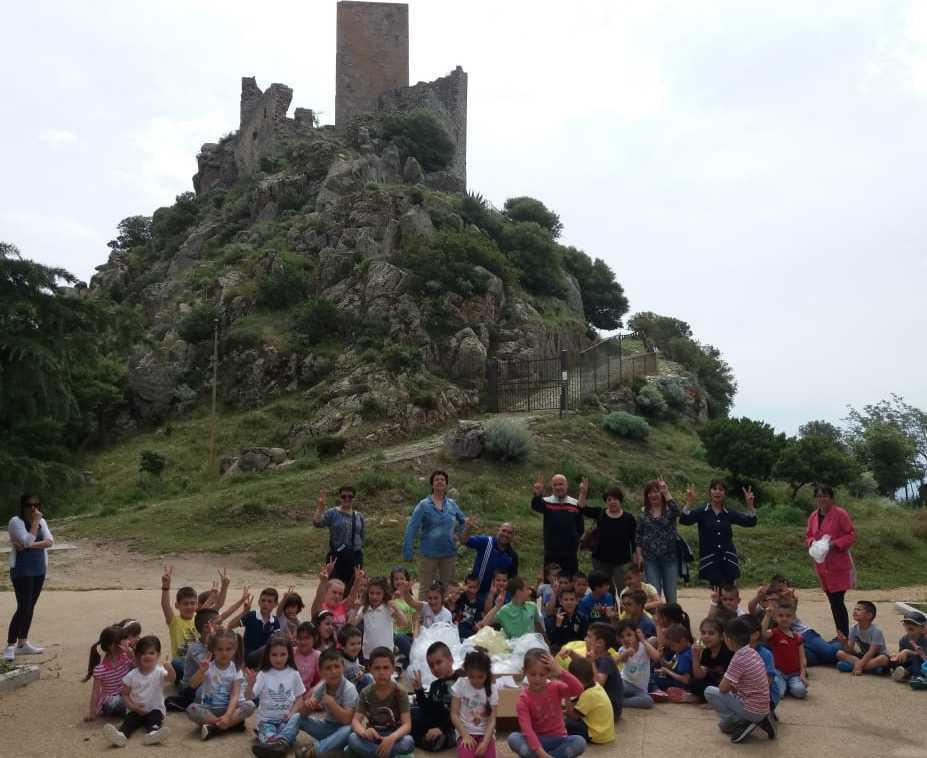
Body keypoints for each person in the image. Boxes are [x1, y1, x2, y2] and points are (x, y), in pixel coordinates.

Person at [704, 619, 776, 744]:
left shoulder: (738, 658)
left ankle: (742, 722)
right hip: (763, 705)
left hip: (751, 708)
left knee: (709, 691)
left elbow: (722, 688)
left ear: (728, 639)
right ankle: (756, 720)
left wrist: (730, 685)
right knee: (723, 726)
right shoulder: (752, 652)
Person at [506, 649, 586, 758]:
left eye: (542, 675)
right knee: (513, 738)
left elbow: (579, 689)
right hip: (536, 741)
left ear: (548, 673)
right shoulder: (523, 700)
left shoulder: (555, 687)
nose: (537, 679)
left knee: (580, 742)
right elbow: (527, 730)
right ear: (525, 671)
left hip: (558, 739)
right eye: (533, 674)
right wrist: (543, 755)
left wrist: (560, 671)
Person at [679, 480, 757, 587]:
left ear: (725, 493)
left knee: (729, 593)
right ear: (709, 492)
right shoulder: (702, 512)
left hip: (728, 560)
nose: (717, 492)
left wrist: (750, 505)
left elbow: (750, 522)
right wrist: (689, 503)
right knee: (717, 592)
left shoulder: (729, 513)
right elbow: (684, 520)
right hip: (710, 560)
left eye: (721, 489)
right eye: (714, 489)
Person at [103, 635, 175, 747]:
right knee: (129, 721)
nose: (147, 656)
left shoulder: (160, 672)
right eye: (143, 653)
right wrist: (133, 707)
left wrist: (169, 668)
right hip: (136, 710)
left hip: (154, 708)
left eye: (151, 653)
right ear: (137, 656)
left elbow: (171, 678)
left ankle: (153, 733)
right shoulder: (131, 675)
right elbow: (125, 694)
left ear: (158, 655)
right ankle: (121, 735)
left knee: (155, 718)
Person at [5, 494, 54, 661]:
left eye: (36, 505)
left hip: (39, 569)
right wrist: (34, 524)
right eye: (29, 505)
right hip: (22, 570)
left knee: (30, 606)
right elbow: (27, 539)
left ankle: (23, 643)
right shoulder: (16, 522)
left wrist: (29, 546)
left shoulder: (42, 521)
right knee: (23, 607)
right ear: (22, 506)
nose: (33, 508)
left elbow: (49, 541)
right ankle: (10, 645)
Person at [402, 470, 466, 593]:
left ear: (446, 484)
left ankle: (446, 606)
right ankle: (424, 607)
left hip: (449, 553)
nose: (440, 482)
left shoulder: (452, 504)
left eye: (442, 479)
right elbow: (411, 528)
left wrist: (458, 534)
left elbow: (463, 521)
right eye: (437, 479)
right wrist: (408, 551)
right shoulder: (423, 505)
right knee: (425, 589)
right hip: (429, 554)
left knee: (449, 589)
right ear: (432, 484)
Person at [806, 484, 857, 638]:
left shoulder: (840, 514)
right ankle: (841, 634)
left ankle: (843, 635)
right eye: (819, 496)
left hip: (837, 564)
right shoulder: (813, 516)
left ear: (831, 498)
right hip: (822, 565)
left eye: (825, 496)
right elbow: (809, 535)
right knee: (833, 601)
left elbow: (850, 535)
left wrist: (834, 544)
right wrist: (813, 543)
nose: (821, 499)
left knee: (837, 601)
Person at [185, 628, 255, 740]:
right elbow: (192, 685)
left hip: (230, 709)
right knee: (191, 708)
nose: (224, 653)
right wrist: (201, 671)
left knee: (250, 705)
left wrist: (227, 715)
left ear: (234, 649)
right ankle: (227, 725)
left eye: (228, 649)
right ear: (213, 650)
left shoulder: (236, 669)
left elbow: (235, 695)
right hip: (210, 709)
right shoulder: (208, 666)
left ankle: (214, 728)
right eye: (220, 649)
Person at [245, 636, 305, 758]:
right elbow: (249, 696)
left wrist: (291, 713)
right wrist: (250, 684)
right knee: (272, 736)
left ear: (289, 654)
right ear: (268, 655)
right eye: (274, 655)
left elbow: (300, 699)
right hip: (266, 721)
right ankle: (274, 743)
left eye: (283, 654)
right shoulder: (263, 674)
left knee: (292, 727)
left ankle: (276, 744)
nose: (279, 659)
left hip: (286, 721)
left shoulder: (294, 673)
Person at [349, 647, 415, 758]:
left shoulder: (401, 693)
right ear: (370, 669)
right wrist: (364, 733)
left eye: (386, 668)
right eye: (377, 668)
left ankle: (374, 754)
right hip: (373, 737)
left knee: (408, 742)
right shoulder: (365, 693)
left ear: (393, 669)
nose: (381, 672)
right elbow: (355, 721)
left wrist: (392, 738)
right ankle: (384, 753)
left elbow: (407, 725)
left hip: (394, 737)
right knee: (352, 738)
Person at [296, 647, 358, 758]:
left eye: (337, 666)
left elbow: (347, 720)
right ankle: (282, 741)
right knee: (297, 717)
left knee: (350, 729)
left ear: (343, 667)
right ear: (321, 672)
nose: (333, 671)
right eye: (328, 668)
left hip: (343, 731)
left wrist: (331, 703)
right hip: (328, 726)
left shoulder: (349, 688)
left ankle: (315, 751)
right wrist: (308, 705)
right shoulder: (322, 687)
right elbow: (303, 714)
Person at [579, 482, 637, 596]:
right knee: (605, 591)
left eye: (615, 499)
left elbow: (634, 539)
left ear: (620, 501)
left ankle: (624, 608)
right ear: (606, 501)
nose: (612, 502)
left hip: (622, 561)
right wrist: (583, 492)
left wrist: (636, 556)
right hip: (600, 561)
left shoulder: (629, 518)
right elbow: (582, 509)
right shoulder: (600, 513)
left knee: (624, 590)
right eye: (609, 499)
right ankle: (610, 607)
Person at [635, 479, 681, 604]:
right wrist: (639, 556)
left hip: (670, 559)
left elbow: (677, 510)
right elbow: (638, 537)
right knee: (654, 596)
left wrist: (666, 492)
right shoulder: (643, 514)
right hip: (650, 560)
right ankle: (657, 617)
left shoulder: (669, 512)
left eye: (656, 492)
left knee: (671, 596)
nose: (653, 495)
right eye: (649, 493)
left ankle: (672, 617)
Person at [530, 474, 584, 577]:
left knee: (570, 581)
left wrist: (574, 540)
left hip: (570, 553)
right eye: (555, 485)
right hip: (551, 552)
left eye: (561, 484)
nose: (558, 487)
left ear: (566, 485)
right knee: (550, 582)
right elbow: (536, 506)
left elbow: (580, 527)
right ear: (552, 487)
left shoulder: (575, 503)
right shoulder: (546, 502)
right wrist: (537, 495)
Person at [314, 486, 365, 593]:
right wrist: (320, 508)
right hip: (336, 557)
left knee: (352, 589)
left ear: (354, 498)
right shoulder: (332, 513)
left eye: (350, 496)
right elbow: (317, 523)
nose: (347, 499)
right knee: (334, 588)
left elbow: (361, 537)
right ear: (340, 497)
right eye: (344, 496)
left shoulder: (359, 516)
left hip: (354, 557)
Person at [451, 648, 498, 758]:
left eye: (480, 677)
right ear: (466, 671)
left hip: (485, 734)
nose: (476, 681)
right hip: (465, 732)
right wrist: (465, 735)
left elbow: (492, 720)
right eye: (471, 676)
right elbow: (454, 714)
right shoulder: (461, 684)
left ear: (487, 673)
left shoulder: (492, 689)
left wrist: (485, 742)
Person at [411, 641, 458, 752]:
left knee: (439, 740)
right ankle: (418, 738)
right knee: (410, 716)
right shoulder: (435, 685)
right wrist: (419, 691)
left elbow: (458, 713)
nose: (435, 668)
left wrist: (440, 729)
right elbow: (428, 709)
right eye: (431, 665)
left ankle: (419, 740)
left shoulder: (460, 682)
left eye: (439, 662)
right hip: (435, 722)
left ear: (450, 660)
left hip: (453, 726)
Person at [349, 576, 407, 661]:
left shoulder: (388, 608)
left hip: (386, 653)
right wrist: (356, 610)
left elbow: (403, 623)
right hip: (368, 654)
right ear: (367, 593)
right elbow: (351, 625)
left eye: (378, 593)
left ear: (384, 594)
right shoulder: (365, 608)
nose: (374, 596)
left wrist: (396, 608)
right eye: (371, 593)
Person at [83, 625, 133, 722]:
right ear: (113, 646)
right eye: (124, 640)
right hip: (112, 699)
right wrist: (92, 712)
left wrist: (131, 654)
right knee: (116, 702)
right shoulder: (100, 669)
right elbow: (95, 692)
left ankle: (131, 710)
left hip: (125, 694)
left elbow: (137, 669)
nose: (128, 642)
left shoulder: (125, 657)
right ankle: (131, 711)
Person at [159, 564, 198, 681]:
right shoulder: (174, 621)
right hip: (181, 662)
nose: (189, 607)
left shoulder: (199, 620)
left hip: (196, 660)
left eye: (192, 603)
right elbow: (165, 605)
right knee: (176, 663)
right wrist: (166, 587)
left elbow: (216, 608)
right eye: (185, 604)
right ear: (177, 605)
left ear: (197, 605)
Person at [460, 520, 519, 597]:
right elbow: (464, 540)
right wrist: (468, 528)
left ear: (512, 536)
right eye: (503, 531)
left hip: (494, 596)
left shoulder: (512, 556)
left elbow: (512, 579)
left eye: (509, 533)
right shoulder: (486, 542)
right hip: (474, 592)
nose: (505, 534)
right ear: (498, 530)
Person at [761, 601, 807, 699]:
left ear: (793, 618)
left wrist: (802, 674)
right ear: (775, 618)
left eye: (788, 616)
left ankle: (790, 685)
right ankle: (784, 686)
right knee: (779, 694)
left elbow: (802, 658)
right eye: (780, 616)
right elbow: (762, 635)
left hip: (794, 674)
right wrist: (767, 616)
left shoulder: (798, 637)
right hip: (779, 673)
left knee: (801, 692)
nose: (784, 618)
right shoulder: (774, 633)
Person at [564, 657, 614, 745]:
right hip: (604, 732)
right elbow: (577, 702)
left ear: (576, 679)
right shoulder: (595, 685)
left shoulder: (589, 695)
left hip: (596, 735)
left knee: (563, 722)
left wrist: (566, 695)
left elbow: (572, 716)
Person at [478, 577, 544, 639]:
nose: (530, 592)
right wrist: (497, 607)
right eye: (527, 589)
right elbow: (484, 624)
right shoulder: (504, 610)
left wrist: (545, 641)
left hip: (531, 643)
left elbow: (538, 626)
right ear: (518, 592)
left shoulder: (532, 606)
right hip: (513, 644)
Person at [582, 622, 623, 720]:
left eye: (589, 637)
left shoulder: (606, 660)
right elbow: (582, 665)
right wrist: (571, 653)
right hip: (603, 706)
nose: (585, 639)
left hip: (611, 710)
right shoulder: (598, 657)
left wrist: (591, 662)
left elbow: (599, 683)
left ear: (599, 643)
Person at [310, 561, 365, 632]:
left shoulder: (342, 606)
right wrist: (323, 581)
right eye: (334, 592)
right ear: (326, 592)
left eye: (340, 594)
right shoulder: (320, 608)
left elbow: (351, 596)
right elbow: (319, 596)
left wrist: (357, 581)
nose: (337, 596)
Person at [615, 622, 660, 709]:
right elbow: (620, 661)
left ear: (636, 635)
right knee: (614, 689)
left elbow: (656, 657)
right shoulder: (622, 649)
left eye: (629, 635)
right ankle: (617, 698)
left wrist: (643, 640)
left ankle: (621, 702)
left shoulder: (644, 646)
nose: (626, 639)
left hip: (640, 689)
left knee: (648, 701)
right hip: (626, 683)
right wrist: (626, 653)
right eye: (622, 637)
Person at [836, 601, 887, 675]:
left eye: (858, 610)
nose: (854, 611)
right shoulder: (853, 628)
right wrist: (844, 642)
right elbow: (850, 650)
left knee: (883, 659)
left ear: (869, 615)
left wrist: (859, 665)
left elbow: (871, 652)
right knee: (839, 653)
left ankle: (853, 667)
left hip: (876, 656)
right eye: (854, 609)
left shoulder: (876, 631)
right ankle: (871, 668)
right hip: (863, 656)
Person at [690, 617, 733, 700]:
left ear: (721, 637)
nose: (706, 636)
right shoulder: (706, 651)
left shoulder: (728, 652)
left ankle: (704, 699)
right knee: (694, 683)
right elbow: (699, 675)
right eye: (703, 633)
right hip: (714, 684)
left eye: (711, 633)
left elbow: (731, 681)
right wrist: (695, 657)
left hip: (727, 685)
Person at [889, 610, 927, 682]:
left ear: (922, 628)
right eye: (906, 623)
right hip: (910, 662)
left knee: (916, 659)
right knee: (893, 660)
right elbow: (902, 654)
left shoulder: (924, 639)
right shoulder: (903, 639)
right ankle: (904, 672)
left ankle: (913, 675)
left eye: (913, 624)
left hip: (922, 663)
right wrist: (898, 656)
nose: (909, 625)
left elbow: (924, 656)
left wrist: (908, 652)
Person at [545, 587, 587, 653]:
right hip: (561, 651)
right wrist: (558, 626)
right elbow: (553, 641)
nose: (569, 602)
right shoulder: (553, 618)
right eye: (566, 600)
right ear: (560, 602)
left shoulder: (582, 618)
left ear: (576, 601)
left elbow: (583, 638)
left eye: (572, 599)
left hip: (577, 650)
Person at [293, 621, 321, 692]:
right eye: (299, 638)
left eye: (306, 638)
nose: (302, 642)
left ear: (315, 638)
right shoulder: (291, 652)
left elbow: (324, 679)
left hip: (308, 694)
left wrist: (312, 691)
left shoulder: (317, 655)